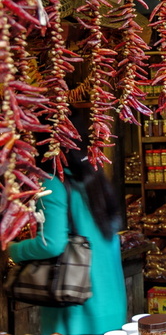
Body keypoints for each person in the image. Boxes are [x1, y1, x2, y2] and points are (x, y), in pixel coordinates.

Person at [8, 108, 127, 335]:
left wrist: (13, 250)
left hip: (77, 309)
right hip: (111, 303)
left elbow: (50, 243)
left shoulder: (54, 183)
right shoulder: (95, 178)